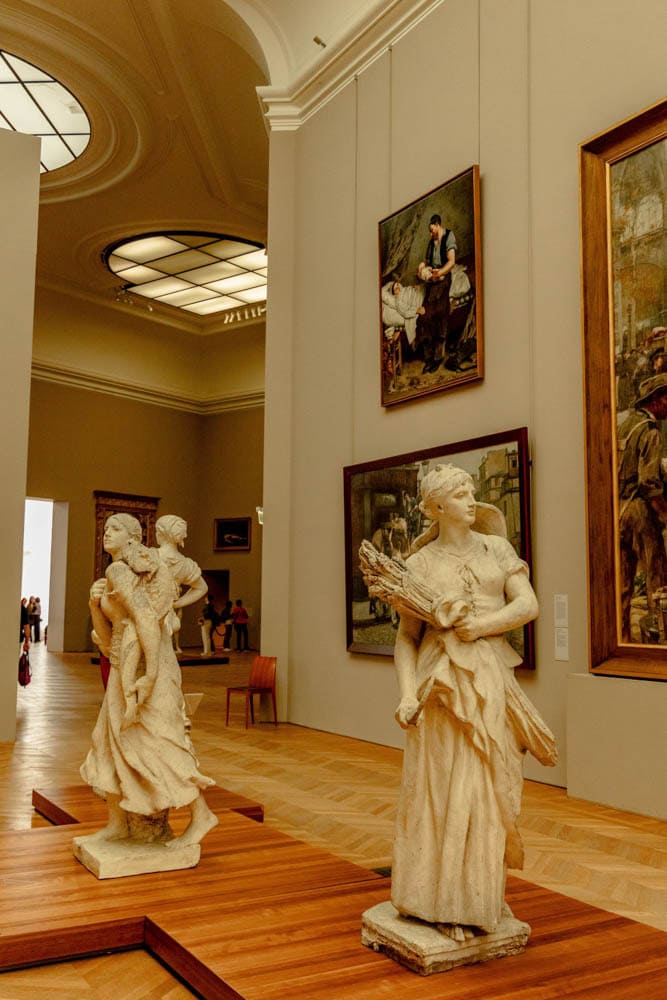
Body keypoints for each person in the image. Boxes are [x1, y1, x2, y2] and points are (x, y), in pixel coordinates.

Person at [366, 464, 556, 941]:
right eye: (459, 493)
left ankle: (478, 896)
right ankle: (435, 899)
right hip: (440, 687)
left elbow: (528, 604)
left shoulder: (497, 548)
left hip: (489, 677)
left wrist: (482, 627)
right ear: (436, 507)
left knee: (488, 784)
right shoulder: (420, 564)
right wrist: (406, 693)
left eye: (471, 490)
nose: (472, 499)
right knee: (441, 786)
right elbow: (407, 638)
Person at [81, 513, 217, 848]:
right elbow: (106, 634)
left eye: (115, 529)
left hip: (148, 663)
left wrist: (152, 674)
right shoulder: (117, 573)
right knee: (109, 741)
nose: (106, 534)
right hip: (122, 660)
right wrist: (94, 604)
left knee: (161, 740)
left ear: (133, 537)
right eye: (105, 528)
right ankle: (118, 823)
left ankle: (201, 815)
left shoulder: (123, 570)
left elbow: (145, 619)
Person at [617, 373, 667, 641]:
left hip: (618, 510)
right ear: (655, 399)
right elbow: (649, 483)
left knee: (623, 582)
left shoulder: (626, 426)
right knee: (657, 576)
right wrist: (665, 514)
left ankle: (623, 638)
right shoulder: (649, 430)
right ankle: (657, 641)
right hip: (639, 511)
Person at [155, 515, 208, 655]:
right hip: (167, 614)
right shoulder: (186, 564)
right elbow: (202, 588)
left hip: (149, 612)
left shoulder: (151, 556)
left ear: (161, 533)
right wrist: (175, 604)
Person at [416, 213, 457, 374]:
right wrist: (422, 268)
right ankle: (428, 358)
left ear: (438, 225)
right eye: (430, 231)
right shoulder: (430, 242)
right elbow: (427, 262)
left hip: (444, 279)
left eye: (432, 230)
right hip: (433, 281)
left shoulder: (448, 236)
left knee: (439, 313)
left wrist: (440, 273)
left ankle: (438, 357)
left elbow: (451, 261)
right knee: (424, 316)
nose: (431, 234)